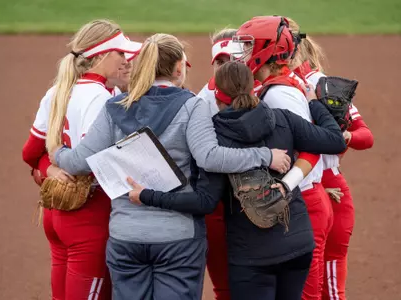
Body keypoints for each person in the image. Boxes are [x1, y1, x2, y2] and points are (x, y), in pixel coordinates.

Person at [49, 33, 290, 300]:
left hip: (126, 236)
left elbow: (79, 161)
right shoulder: (191, 105)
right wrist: (264, 156)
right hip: (178, 237)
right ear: (178, 69)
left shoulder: (114, 107)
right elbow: (210, 157)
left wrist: (56, 153)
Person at [126, 61, 347, 300]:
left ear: (217, 96)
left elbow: (204, 203)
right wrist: (314, 102)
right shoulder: (283, 119)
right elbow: (335, 140)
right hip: (297, 244)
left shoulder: (216, 138)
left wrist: (148, 195)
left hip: (251, 257)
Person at [21, 19, 142, 300]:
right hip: (90, 218)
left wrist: (48, 169)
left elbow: (30, 153)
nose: (127, 61)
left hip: (56, 216)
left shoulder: (57, 91)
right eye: (121, 54)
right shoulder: (102, 98)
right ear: (100, 56)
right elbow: (101, 164)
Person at [232, 15, 342, 300]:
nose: (242, 53)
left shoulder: (279, 95)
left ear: (267, 50)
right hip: (303, 200)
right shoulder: (279, 87)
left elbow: (313, 146)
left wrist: (287, 183)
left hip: (304, 202)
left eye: (248, 46)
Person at [287, 17, 374, 300]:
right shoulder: (269, 86)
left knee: (329, 280)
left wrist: (341, 136)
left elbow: (365, 135)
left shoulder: (323, 86)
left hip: (327, 190)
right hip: (299, 191)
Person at [197, 27, 241, 300]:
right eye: (220, 63)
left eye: (233, 62)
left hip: (248, 205)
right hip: (218, 204)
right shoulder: (202, 101)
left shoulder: (261, 92)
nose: (226, 69)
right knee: (225, 287)